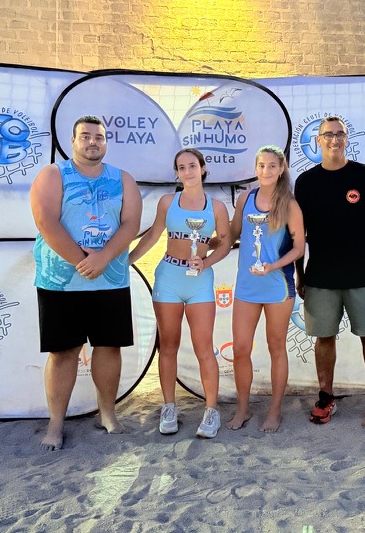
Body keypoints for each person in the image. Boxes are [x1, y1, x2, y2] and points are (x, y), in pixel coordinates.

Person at [31, 115, 142, 451]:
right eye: (86, 136)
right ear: (73, 140)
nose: (93, 141)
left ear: (106, 142)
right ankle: (55, 423)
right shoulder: (53, 174)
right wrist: (83, 259)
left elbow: (130, 224)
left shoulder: (123, 179)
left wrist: (103, 258)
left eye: (99, 137)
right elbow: (45, 220)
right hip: (61, 282)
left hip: (110, 280)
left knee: (109, 348)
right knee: (63, 352)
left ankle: (106, 413)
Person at [294, 116, 365, 430]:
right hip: (321, 275)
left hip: (362, 272)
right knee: (324, 338)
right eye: (328, 135)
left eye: (340, 134)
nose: (334, 140)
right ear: (318, 140)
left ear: (347, 139)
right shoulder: (305, 182)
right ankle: (326, 397)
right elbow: (299, 233)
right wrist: (299, 273)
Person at [129, 148, 231, 439]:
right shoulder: (167, 202)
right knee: (169, 345)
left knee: (204, 348)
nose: (187, 171)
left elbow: (224, 243)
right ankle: (169, 407)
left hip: (199, 281)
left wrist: (206, 262)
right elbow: (153, 235)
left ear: (203, 168)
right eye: (181, 167)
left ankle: (211, 410)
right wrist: (127, 260)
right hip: (169, 278)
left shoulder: (217, 207)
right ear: (176, 173)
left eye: (192, 165)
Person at [226, 146, 305, 433]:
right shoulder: (245, 199)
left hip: (277, 285)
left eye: (272, 166)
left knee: (276, 347)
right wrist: (204, 243)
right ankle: (243, 408)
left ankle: (275, 410)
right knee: (240, 348)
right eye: (261, 165)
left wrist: (273, 266)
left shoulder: (290, 205)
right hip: (247, 286)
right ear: (255, 168)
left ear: (282, 169)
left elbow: (298, 248)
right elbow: (232, 234)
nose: (266, 171)